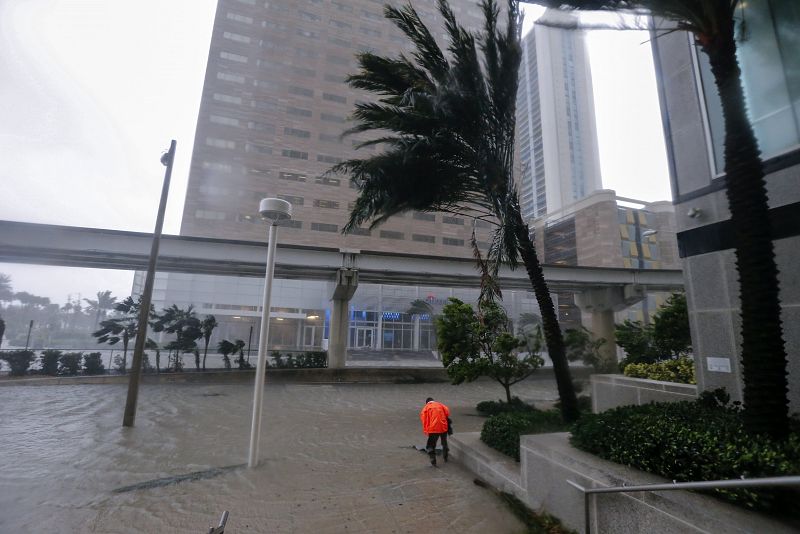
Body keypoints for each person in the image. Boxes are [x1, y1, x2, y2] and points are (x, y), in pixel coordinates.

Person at [420, 397, 451, 467]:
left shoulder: (425, 408)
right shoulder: (441, 405)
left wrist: (426, 431)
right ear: (433, 401)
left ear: (426, 402)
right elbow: (447, 413)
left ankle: (433, 460)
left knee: (431, 445)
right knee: (444, 442)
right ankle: (445, 456)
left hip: (433, 429)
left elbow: (424, 421)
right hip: (443, 427)